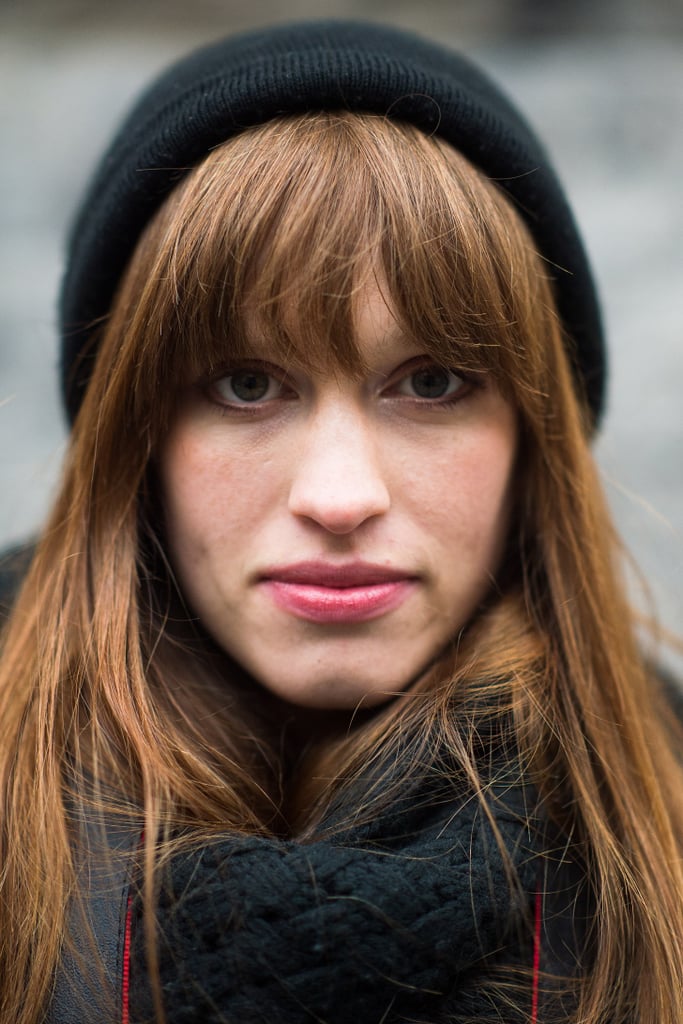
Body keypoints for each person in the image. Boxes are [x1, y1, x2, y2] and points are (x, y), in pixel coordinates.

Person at [0, 20, 681, 1024]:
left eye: (431, 382)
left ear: (531, 438)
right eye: (244, 384)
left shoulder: (661, 812)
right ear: (131, 437)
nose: (337, 494)